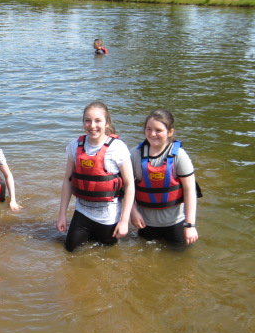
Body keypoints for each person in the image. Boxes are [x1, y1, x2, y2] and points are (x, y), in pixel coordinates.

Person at [56, 101, 135, 252]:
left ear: (107, 123)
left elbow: (129, 184)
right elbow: (67, 180)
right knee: (70, 251)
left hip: (108, 218)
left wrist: (124, 220)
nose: (92, 126)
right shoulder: (75, 145)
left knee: (107, 256)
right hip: (82, 213)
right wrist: (62, 215)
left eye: (98, 121)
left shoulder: (118, 148)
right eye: (88, 120)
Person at [130, 109, 200, 245]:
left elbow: (190, 191)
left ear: (170, 132)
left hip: (175, 222)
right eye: (149, 129)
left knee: (180, 256)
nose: (152, 134)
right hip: (145, 223)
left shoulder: (179, 156)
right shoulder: (134, 155)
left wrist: (190, 225)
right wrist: (133, 213)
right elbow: (125, 187)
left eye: (158, 130)